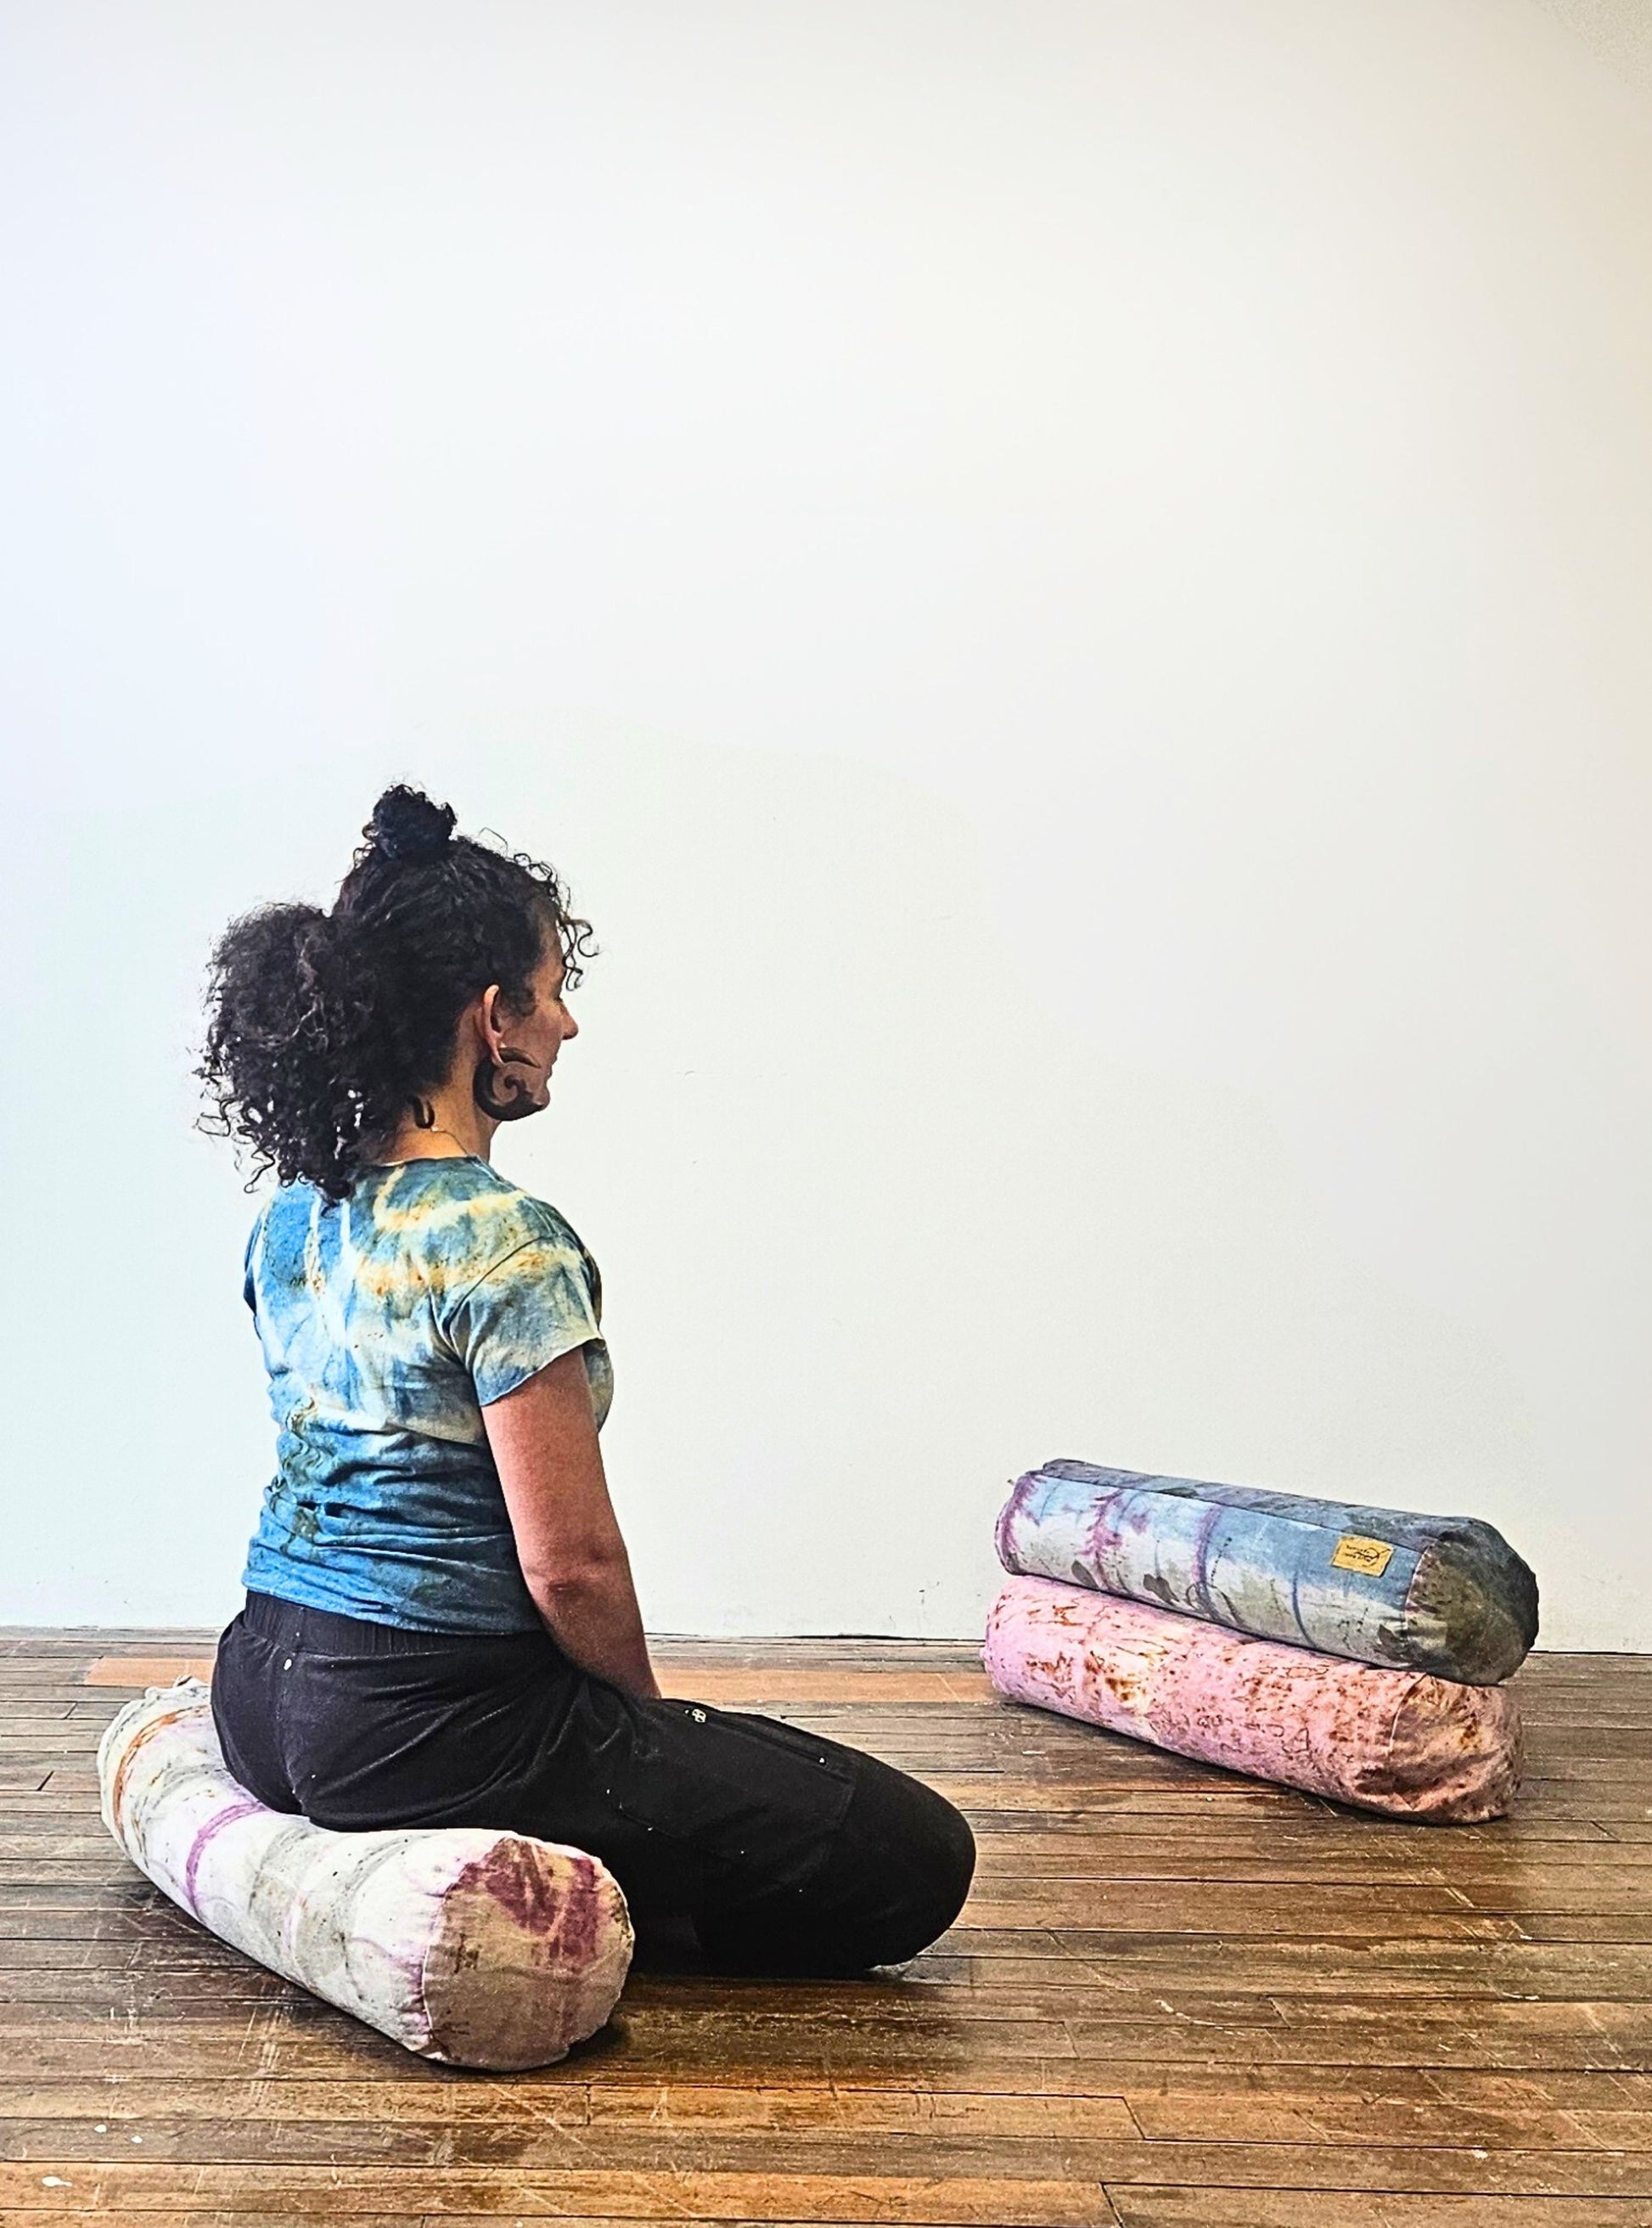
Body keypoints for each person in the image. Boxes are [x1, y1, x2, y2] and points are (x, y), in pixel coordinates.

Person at [197, 782, 975, 1976]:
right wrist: (648, 1732)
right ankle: (629, 1909)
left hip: (257, 1694)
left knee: (716, 1781)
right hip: (422, 1728)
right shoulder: (503, 1239)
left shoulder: (294, 1216)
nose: (567, 1025)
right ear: (490, 1016)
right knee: (912, 1852)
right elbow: (571, 1565)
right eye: (553, 993)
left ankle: (579, 1866)